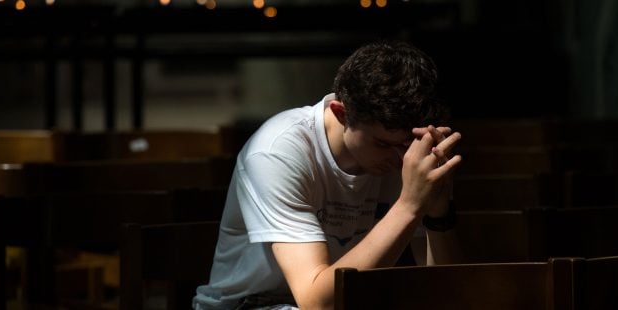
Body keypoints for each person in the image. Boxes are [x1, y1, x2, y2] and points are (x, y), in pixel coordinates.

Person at [193, 41, 462, 310]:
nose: (400, 160)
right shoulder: (277, 152)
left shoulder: (408, 155)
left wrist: (438, 213)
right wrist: (410, 205)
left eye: (406, 145)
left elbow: (446, 293)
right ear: (341, 113)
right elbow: (316, 302)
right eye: (382, 144)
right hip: (246, 305)